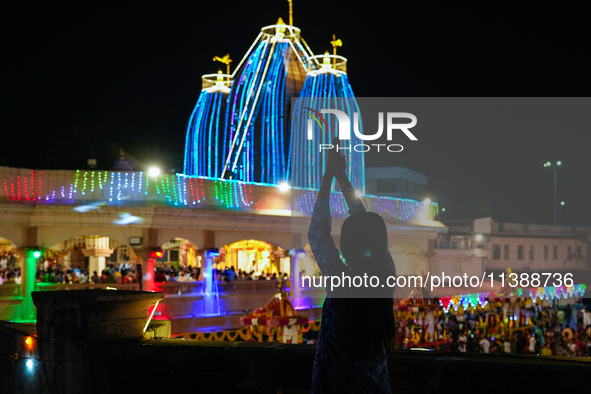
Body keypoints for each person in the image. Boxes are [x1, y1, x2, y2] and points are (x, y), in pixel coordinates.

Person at [308, 139, 395, 393]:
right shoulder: (386, 273)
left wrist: (328, 178)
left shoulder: (341, 282)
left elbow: (317, 232)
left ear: (345, 247)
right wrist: (342, 179)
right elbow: (366, 227)